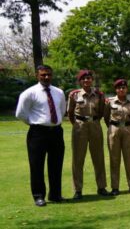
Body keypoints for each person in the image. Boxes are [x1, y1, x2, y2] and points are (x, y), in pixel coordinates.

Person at [16, 65, 67, 206]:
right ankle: (39, 196)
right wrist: (34, 123)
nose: (46, 77)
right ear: (37, 76)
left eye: (49, 74)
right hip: (38, 133)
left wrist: (52, 123)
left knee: (56, 164)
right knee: (37, 165)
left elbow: (62, 110)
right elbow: (20, 113)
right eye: (43, 75)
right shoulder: (29, 93)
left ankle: (55, 194)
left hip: (56, 131)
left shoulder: (59, 92)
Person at [67, 69, 109, 199]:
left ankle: (101, 187)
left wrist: (94, 121)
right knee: (78, 159)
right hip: (80, 126)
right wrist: (77, 124)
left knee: (98, 157)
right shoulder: (74, 95)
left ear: (92, 80)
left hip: (95, 125)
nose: (87, 80)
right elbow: (70, 112)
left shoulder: (99, 95)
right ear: (80, 81)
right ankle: (78, 190)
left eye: (89, 78)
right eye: (84, 78)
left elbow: (102, 111)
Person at [104, 79, 130, 195]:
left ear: (126, 89)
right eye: (119, 88)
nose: (121, 89)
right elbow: (105, 117)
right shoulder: (110, 101)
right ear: (116, 89)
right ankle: (115, 187)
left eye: (123, 87)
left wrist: (127, 126)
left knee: (129, 159)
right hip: (114, 129)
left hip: (128, 129)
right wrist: (113, 127)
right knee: (114, 159)